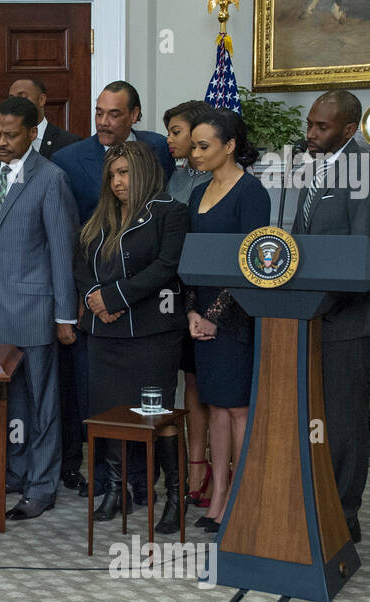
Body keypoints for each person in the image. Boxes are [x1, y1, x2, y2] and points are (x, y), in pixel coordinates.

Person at [0, 96, 79, 520]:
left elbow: (61, 249)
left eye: (11, 134)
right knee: (8, 402)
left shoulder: (51, 179)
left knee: (42, 403)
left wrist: (64, 315)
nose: (1, 141)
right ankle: (15, 472)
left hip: (34, 310)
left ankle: (42, 485)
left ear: (33, 134)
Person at [292, 89, 370, 544]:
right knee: (315, 416)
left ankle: (343, 514)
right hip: (307, 315)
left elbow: (361, 254)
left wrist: (320, 303)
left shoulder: (367, 170)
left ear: (349, 130)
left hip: (345, 320)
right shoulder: (317, 167)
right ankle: (313, 504)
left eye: (322, 127)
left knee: (344, 421)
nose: (311, 133)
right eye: (310, 124)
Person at [76, 142, 190, 532]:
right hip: (103, 332)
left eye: (124, 173)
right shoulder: (101, 217)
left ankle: (175, 497)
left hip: (152, 333)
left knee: (155, 414)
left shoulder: (170, 213)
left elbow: (166, 266)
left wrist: (114, 296)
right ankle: (115, 488)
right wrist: (94, 297)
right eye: (112, 174)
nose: (117, 182)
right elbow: (80, 263)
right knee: (108, 412)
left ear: (143, 174)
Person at [183, 108, 271, 534]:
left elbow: (252, 262)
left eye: (204, 146)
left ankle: (240, 496)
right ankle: (217, 495)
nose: (195, 154)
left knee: (237, 409)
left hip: (236, 315)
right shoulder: (198, 191)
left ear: (230, 146)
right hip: (201, 313)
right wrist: (193, 312)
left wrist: (215, 316)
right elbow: (189, 259)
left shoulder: (252, 192)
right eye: (194, 146)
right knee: (215, 407)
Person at [162, 99, 214, 508]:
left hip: (210, 297)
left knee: (213, 388)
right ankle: (194, 462)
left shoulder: (216, 181)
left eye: (176, 131)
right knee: (189, 385)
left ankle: (217, 465)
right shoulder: (175, 177)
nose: (171, 140)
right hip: (176, 294)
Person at [53, 81, 177, 224]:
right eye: (99, 113)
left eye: (114, 115)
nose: (103, 122)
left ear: (134, 114)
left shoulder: (160, 147)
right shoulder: (67, 160)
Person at [8, 78, 82, 160]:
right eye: (11, 99)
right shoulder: (3, 142)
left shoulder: (69, 143)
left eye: (23, 98)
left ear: (41, 100)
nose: (15, 104)